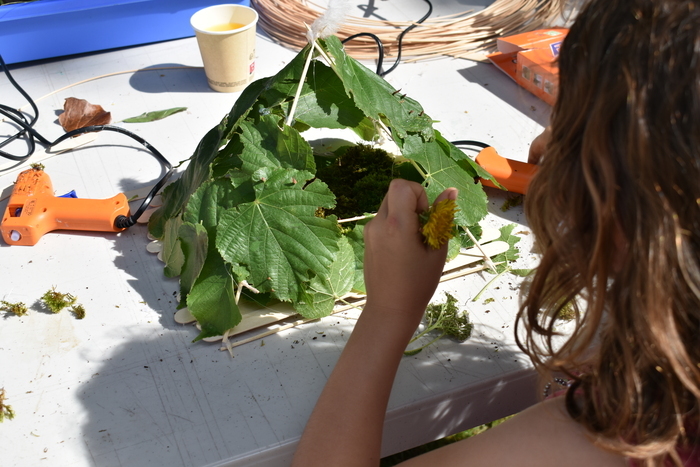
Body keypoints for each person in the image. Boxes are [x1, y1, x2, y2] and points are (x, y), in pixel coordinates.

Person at [291, 0, 700, 465]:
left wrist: (388, 311)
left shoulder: (603, 443)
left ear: (627, 215)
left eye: (567, 131)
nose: (542, 146)